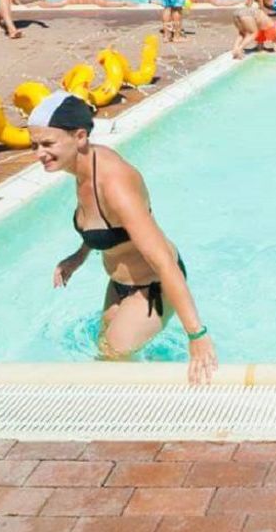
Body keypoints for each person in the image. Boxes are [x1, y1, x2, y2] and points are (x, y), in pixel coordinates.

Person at [36, 92, 216, 373]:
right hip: (120, 284)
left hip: (154, 286)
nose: (38, 154)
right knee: (105, 349)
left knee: (111, 359)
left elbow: (163, 262)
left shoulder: (114, 184)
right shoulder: (81, 168)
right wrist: (79, 255)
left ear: (80, 137)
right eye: (34, 145)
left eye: (47, 144)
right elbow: (102, 225)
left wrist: (197, 334)